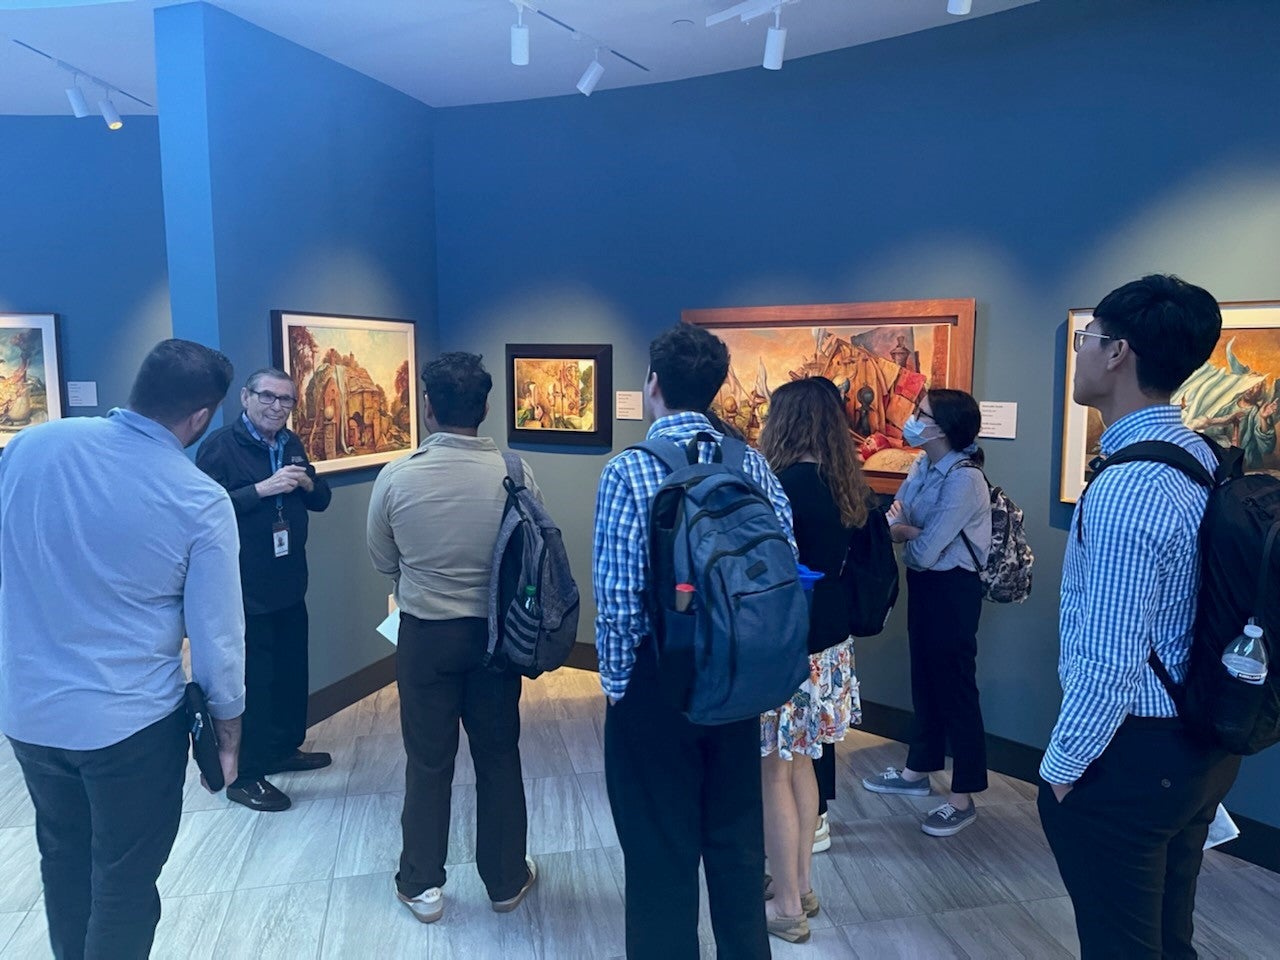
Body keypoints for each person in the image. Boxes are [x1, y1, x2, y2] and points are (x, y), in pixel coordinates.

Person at [0, 339, 245, 960]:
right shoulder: (199, 499)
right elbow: (217, 637)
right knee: (124, 881)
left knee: (62, 859)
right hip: (128, 724)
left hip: (28, 713)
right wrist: (229, 733)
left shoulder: (32, 446)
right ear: (201, 416)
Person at [1039, 275, 1240, 959]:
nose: (1082, 353)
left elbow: (1109, 662)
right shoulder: (1203, 457)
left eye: (1085, 339)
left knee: (1120, 945)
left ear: (1117, 351)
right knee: (1164, 937)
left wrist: (1061, 771)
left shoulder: (1128, 489)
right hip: (1198, 740)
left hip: (1131, 752)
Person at [593, 323, 792, 959]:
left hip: (661, 685)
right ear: (715, 388)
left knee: (658, 852)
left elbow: (619, 600)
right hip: (737, 684)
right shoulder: (751, 462)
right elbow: (785, 565)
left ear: (653, 384)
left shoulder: (630, 470)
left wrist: (621, 689)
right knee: (737, 847)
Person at [367, 352, 538, 924]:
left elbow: (381, 558)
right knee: (498, 757)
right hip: (496, 639)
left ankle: (421, 884)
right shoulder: (516, 470)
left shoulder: (397, 475)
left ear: (428, 406)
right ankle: (507, 880)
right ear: (486, 407)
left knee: (428, 761)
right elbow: (526, 552)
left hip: (424, 639)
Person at [756, 378, 867, 944]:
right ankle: (801, 884)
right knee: (802, 765)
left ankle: (785, 907)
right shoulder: (843, 482)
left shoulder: (785, 485)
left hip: (790, 641)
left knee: (774, 770)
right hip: (831, 641)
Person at [197, 367, 333, 813]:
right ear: (245, 397)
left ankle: (281, 748)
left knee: (290, 673)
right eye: (268, 398)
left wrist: (308, 481)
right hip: (244, 586)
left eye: (286, 401)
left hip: (290, 580)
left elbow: (321, 499)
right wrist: (262, 489)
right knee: (253, 680)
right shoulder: (221, 448)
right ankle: (246, 775)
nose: (277, 407)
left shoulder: (290, 443)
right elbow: (204, 510)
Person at [862, 388, 991, 837]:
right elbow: (898, 518)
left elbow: (921, 549)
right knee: (925, 678)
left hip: (954, 590)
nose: (913, 418)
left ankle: (964, 795)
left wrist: (907, 531)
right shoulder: (922, 465)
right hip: (929, 586)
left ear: (944, 426)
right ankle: (919, 769)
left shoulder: (964, 479)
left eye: (922, 413)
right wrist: (908, 530)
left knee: (956, 686)